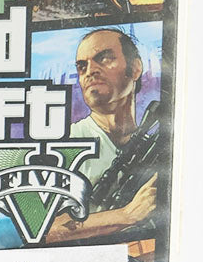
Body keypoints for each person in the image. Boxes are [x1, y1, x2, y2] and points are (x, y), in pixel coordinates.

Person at [46, 27, 160, 243]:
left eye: (104, 59)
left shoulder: (154, 142)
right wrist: (126, 215)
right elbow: (43, 229)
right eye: (82, 66)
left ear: (136, 68)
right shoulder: (66, 145)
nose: (90, 71)